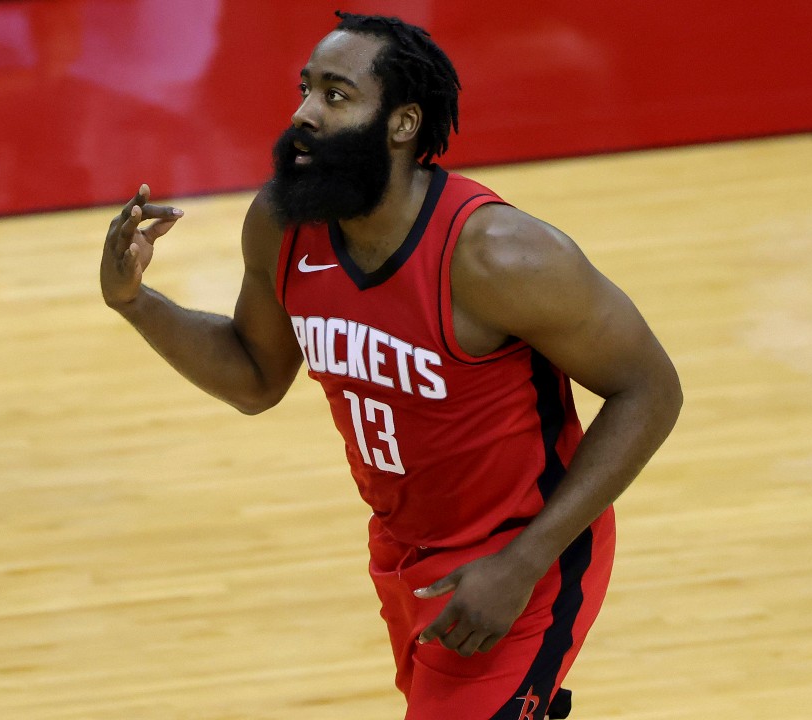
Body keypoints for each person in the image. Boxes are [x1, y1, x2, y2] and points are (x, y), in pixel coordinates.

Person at [98, 11, 681, 720]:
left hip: (522, 561)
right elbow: (254, 378)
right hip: (404, 557)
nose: (304, 114)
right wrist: (135, 302)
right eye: (306, 89)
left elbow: (650, 389)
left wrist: (524, 563)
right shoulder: (285, 225)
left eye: (336, 95)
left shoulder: (497, 255)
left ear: (402, 124)